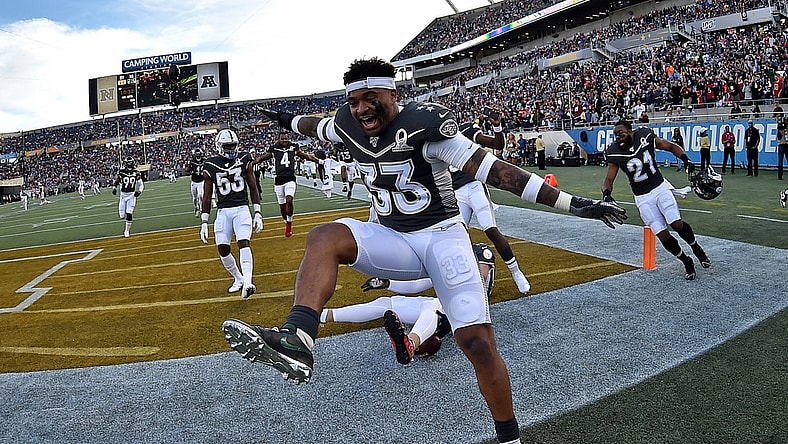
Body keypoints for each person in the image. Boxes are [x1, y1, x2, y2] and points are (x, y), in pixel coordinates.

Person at [221, 57, 626, 444]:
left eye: (370, 99)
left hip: (441, 237)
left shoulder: (425, 124)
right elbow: (315, 126)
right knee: (325, 236)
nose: (361, 109)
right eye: (353, 102)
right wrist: (283, 119)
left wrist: (575, 205)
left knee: (478, 343)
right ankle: (299, 339)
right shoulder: (347, 122)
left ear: (393, 94)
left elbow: (499, 173)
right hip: (394, 238)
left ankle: (509, 438)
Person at [321, 242, 497, 364]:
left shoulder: (480, 270)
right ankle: (324, 315)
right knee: (387, 304)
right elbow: (416, 285)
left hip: (461, 316)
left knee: (432, 306)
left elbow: (481, 272)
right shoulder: (456, 267)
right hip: (443, 308)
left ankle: (410, 344)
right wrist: (387, 283)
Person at [603, 120, 711, 280]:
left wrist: (685, 159)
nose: (618, 137)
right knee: (662, 235)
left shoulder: (644, 135)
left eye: (621, 133)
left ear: (630, 131)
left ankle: (696, 248)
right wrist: (606, 194)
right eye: (615, 135)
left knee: (676, 223)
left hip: (660, 187)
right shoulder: (614, 152)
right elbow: (609, 179)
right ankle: (686, 260)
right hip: (642, 197)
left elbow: (671, 146)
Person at [457, 113, 530, 294]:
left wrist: (497, 127)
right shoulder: (433, 137)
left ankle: (516, 272)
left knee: (490, 228)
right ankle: (464, 278)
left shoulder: (465, 130)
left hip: (474, 186)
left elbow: (497, 145)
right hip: (455, 192)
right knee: (455, 238)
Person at [200, 129, 264, 299]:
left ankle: (249, 282)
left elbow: (253, 186)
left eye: (233, 146)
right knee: (223, 248)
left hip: (241, 208)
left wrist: (257, 212)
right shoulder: (210, 165)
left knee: (244, 242)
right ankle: (239, 279)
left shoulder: (244, 159)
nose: (231, 149)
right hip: (223, 211)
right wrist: (204, 221)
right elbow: (207, 196)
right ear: (219, 146)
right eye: (227, 146)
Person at [253, 130, 322, 237]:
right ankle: (286, 221)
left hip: (290, 178)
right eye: (282, 139)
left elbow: (306, 156)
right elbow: (263, 158)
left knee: (289, 199)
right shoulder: (274, 148)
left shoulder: (293, 147)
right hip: (279, 180)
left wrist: (320, 161)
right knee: (282, 207)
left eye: (286, 138)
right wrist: (253, 161)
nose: (284, 140)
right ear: (279, 139)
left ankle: (289, 224)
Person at [112, 156, 144, 238]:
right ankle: (126, 226)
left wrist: (139, 191)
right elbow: (117, 181)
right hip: (123, 196)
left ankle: (126, 231)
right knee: (122, 215)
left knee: (129, 213)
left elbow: (141, 184)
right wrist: (114, 188)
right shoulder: (121, 172)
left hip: (131, 195)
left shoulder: (136, 172)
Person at [186, 148, 206, 217]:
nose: (198, 155)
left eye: (198, 153)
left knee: (200, 195)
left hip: (201, 181)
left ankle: (201, 209)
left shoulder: (204, 160)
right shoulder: (192, 161)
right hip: (194, 181)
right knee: (195, 198)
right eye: (196, 153)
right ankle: (196, 208)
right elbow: (187, 171)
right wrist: (191, 171)